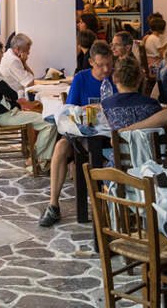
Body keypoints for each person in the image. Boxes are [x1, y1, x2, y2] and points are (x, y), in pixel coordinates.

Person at [39, 41, 115, 227]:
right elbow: (69, 109)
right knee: (60, 147)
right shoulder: (82, 79)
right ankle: (53, 205)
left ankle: (105, 205)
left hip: (109, 134)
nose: (106, 69)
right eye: (100, 65)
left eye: (109, 64)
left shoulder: (116, 77)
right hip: (82, 132)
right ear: (90, 62)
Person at [0, 40, 57, 168]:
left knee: (42, 117)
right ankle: (36, 160)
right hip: (5, 116)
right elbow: (13, 95)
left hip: (2, 114)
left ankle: (42, 161)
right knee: (50, 122)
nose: (1, 55)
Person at [101, 54, 162, 131]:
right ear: (139, 78)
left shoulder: (107, 105)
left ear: (115, 78)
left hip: (115, 143)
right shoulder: (153, 104)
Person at [142, 14, 167, 78]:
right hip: (154, 64)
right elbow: (161, 53)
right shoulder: (156, 39)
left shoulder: (150, 37)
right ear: (160, 29)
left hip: (149, 62)